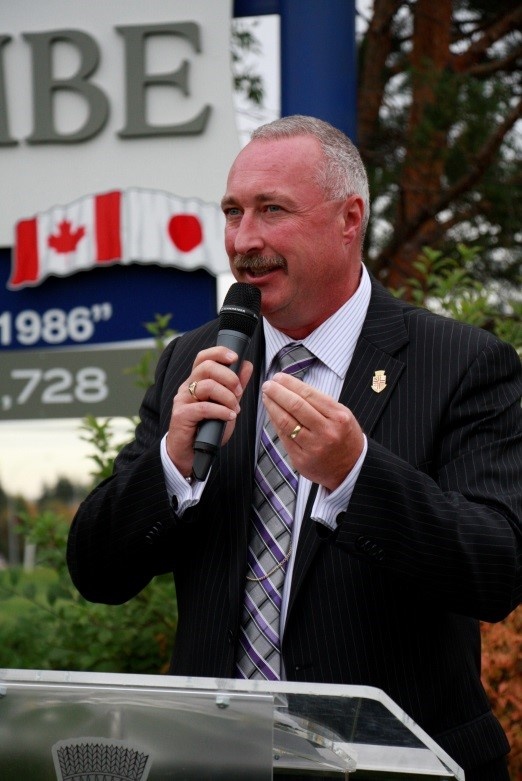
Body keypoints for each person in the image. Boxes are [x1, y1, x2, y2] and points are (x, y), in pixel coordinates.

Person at [67, 115, 521, 780]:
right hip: (217, 762)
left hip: (397, 765)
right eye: (232, 212)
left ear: (349, 218)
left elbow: (498, 570)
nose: (244, 240)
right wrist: (172, 465)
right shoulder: (192, 361)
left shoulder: (460, 362)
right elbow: (97, 573)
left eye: (271, 210)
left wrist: (355, 476)